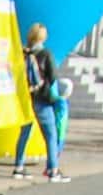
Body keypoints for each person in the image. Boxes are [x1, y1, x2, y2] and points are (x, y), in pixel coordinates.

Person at [9, 23, 67, 181]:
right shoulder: (46, 53)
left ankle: (18, 167)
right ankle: (53, 170)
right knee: (51, 135)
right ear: (43, 37)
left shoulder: (23, 53)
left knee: (24, 133)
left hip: (26, 99)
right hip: (42, 99)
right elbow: (53, 78)